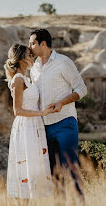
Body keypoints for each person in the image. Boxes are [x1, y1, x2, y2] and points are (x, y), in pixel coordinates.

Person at [28, 28, 87, 197]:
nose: (29, 47)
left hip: (65, 122)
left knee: (71, 168)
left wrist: (62, 102)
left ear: (43, 44)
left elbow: (82, 89)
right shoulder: (34, 69)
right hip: (44, 127)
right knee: (53, 173)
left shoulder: (63, 62)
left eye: (32, 43)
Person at [5, 44, 54, 199]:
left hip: (35, 125)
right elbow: (17, 110)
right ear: (21, 58)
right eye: (29, 54)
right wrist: (42, 112)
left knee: (37, 166)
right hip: (26, 126)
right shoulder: (18, 80)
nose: (32, 56)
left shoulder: (27, 78)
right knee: (28, 166)